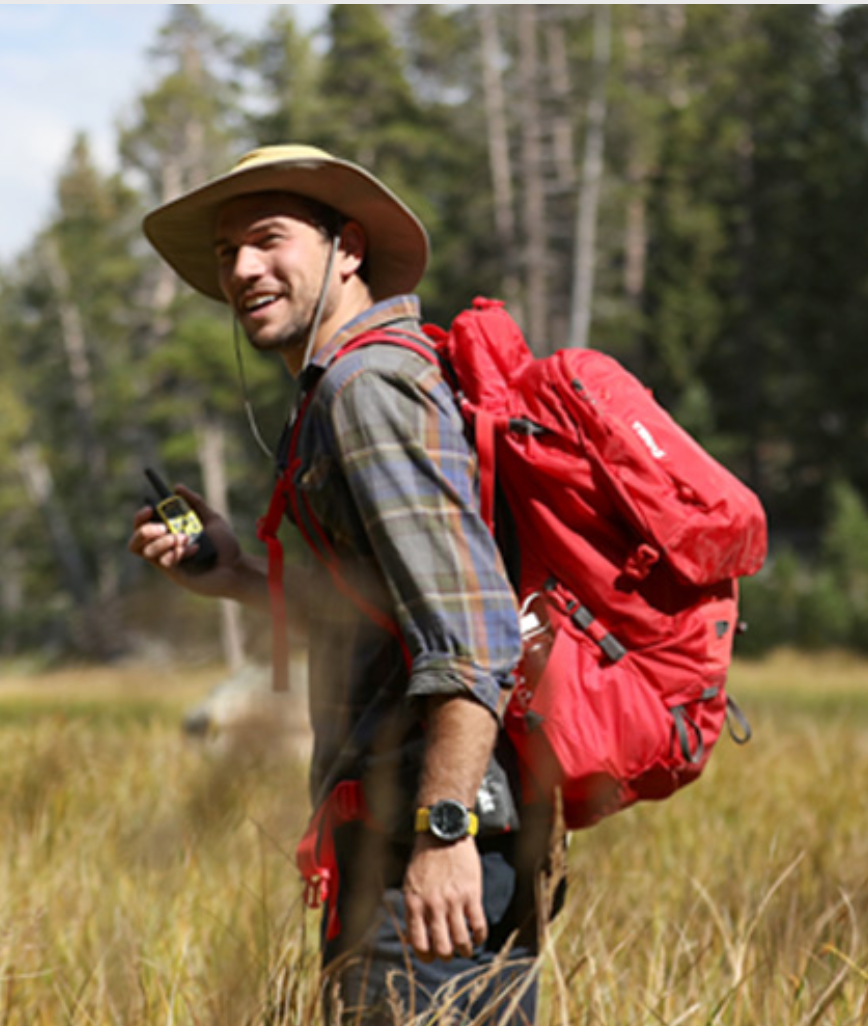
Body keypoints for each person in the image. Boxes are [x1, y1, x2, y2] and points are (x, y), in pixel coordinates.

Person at [129, 145, 558, 1024]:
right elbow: (383, 621)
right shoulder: (349, 390)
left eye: (268, 239)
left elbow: (473, 629)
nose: (243, 268)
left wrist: (445, 835)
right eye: (225, 253)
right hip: (411, 853)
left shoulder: (366, 390)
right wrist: (238, 576)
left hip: (426, 862)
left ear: (347, 248)